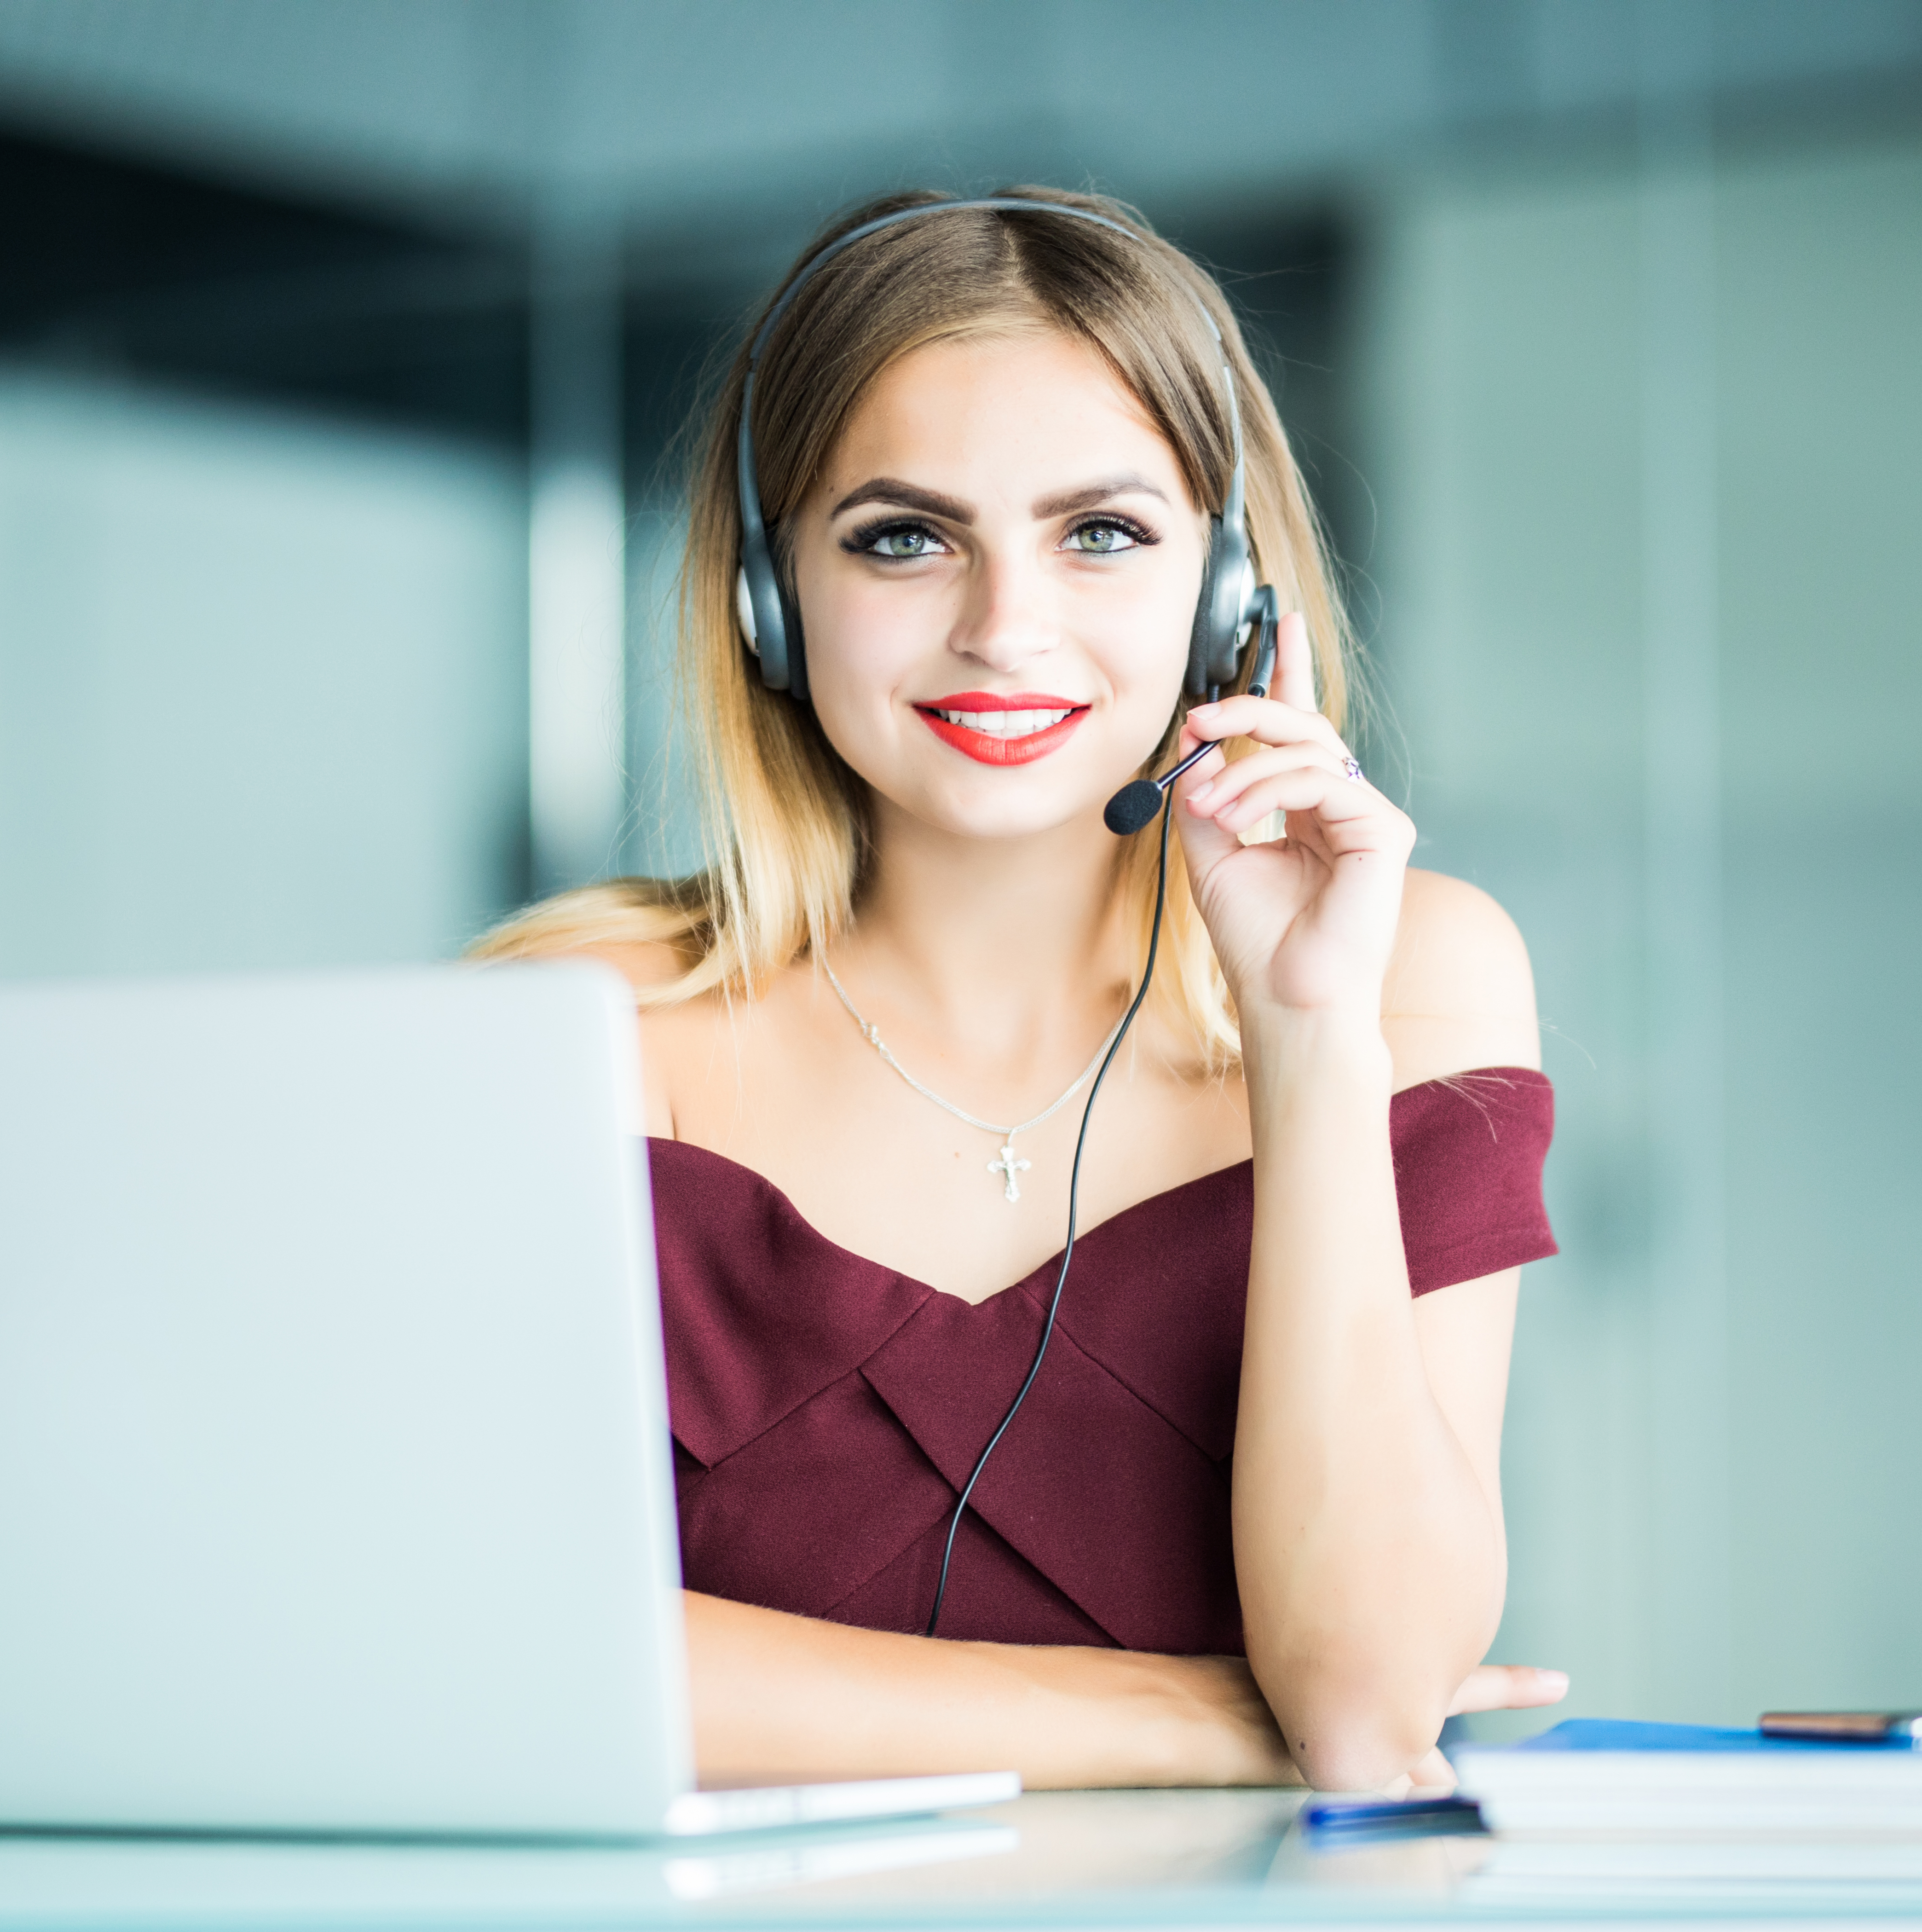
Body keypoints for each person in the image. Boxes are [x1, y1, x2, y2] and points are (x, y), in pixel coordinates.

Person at [479, 188, 1564, 1797]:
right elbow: (499, 1668)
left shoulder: (1411, 972)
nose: (1004, 630)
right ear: (771, 599)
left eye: (1103, 533)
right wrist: (1180, 1721)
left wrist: (1305, 1037)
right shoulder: (576, 1023)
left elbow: (1364, 1711)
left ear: (1227, 597)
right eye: (904, 538)